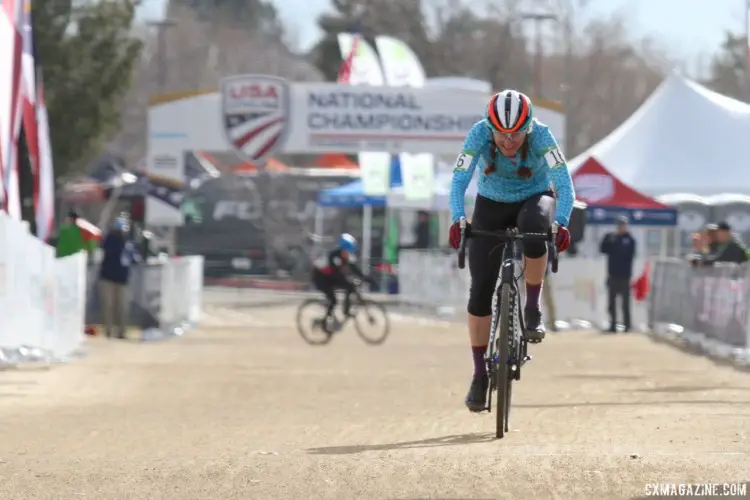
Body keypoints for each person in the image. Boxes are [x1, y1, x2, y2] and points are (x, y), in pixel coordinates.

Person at [448, 89, 574, 413]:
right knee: (479, 293)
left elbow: (564, 182)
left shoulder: (542, 137)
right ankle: (479, 374)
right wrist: (457, 217)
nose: (507, 142)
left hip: (534, 197)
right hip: (491, 202)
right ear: (489, 127)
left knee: (535, 231)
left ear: (528, 126)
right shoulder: (478, 133)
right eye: (501, 134)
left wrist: (560, 222)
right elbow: (459, 179)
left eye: (516, 134)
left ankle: (532, 308)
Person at [312, 233, 375, 332]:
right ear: (343, 249)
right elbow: (335, 274)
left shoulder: (345, 256)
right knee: (334, 299)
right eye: (348, 251)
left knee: (349, 286)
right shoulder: (334, 256)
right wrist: (348, 281)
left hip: (329, 277)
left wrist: (365, 278)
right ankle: (324, 322)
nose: (349, 253)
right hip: (320, 277)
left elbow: (354, 269)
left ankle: (345, 310)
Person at [99, 219, 140, 339]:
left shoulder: (129, 242)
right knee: (108, 306)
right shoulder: (110, 240)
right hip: (108, 277)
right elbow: (109, 250)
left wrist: (134, 256)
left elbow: (134, 256)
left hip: (123, 279)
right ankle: (108, 331)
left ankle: (121, 331)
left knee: (122, 307)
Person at [599, 216, 636, 333]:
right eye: (619, 225)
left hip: (625, 276)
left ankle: (627, 325)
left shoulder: (630, 239)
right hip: (612, 275)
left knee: (625, 303)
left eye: (623, 225)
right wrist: (609, 239)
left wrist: (617, 242)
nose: (621, 228)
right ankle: (613, 325)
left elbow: (627, 253)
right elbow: (603, 249)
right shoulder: (611, 238)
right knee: (611, 303)